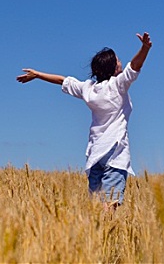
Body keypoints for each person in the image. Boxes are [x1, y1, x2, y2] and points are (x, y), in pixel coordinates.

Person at [16, 32, 152, 209]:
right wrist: (145, 48)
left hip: (94, 154)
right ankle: (104, 233)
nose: (121, 62)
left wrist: (37, 74)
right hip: (115, 152)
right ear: (113, 68)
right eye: (118, 61)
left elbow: (63, 80)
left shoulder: (88, 89)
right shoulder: (118, 85)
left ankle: (96, 234)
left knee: (96, 205)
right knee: (110, 205)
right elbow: (135, 66)